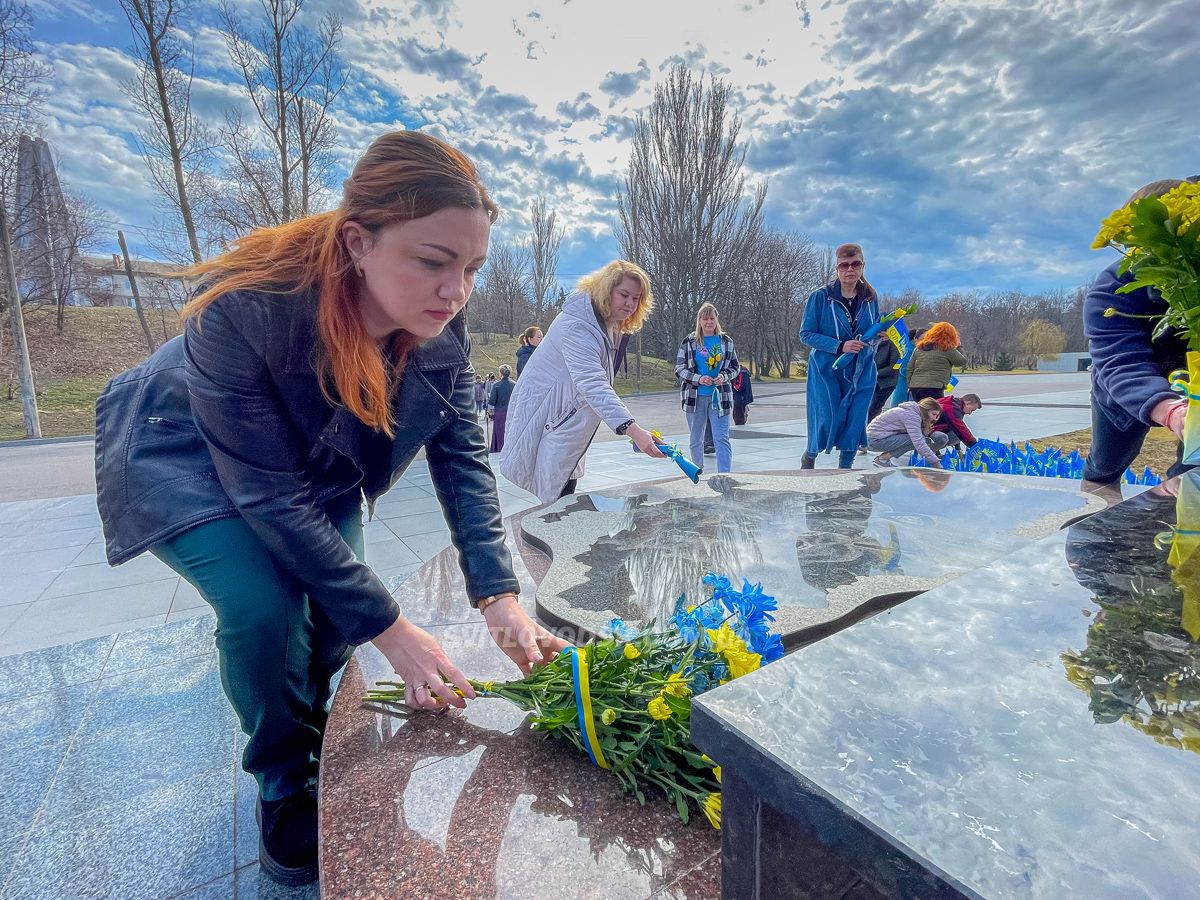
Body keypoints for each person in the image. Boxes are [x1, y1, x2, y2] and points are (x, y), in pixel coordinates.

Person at [92, 131, 569, 887]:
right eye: (434, 261)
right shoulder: (246, 311)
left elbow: (463, 457)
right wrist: (395, 633)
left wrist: (499, 596)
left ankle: (305, 730)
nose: (456, 291)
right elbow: (266, 497)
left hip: (311, 465)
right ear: (358, 240)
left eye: (472, 268)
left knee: (333, 616)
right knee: (269, 604)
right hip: (184, 452)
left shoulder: (441, 325)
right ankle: (283, 785)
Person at [500, 260, 665, 503]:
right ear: (606, 290)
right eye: (624, 295)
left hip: (564, 420)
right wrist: (633, 429)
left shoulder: (603, 323)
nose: (630, 304)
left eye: (637, 298)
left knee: (563, 494)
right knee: (556, 504)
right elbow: (592, 382)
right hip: (551, 419)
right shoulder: (578, 326)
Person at [1083, 178, 1195, 485]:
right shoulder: (1112, 287)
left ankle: (1180, 519)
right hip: (1123, 389)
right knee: (1105, 465)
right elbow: (1119, 362)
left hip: (1193, 385)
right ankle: (1091, 518)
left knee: (1192, 468)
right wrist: (1171, 412)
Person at [799, 242, 881, 469]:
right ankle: (810, 455)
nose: (849, 269)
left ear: (863, 266)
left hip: (861, 369)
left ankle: (845, 468)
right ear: (837, 269)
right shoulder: (820, 297)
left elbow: (870, 334)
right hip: (827, 369)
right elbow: (806, 334)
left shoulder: (870, 298)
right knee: (826, 418)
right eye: (844, 265)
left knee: (855, 420)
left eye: (855, 264)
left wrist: (877, 336)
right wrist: (840, 345)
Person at [674, 302, 739, 472]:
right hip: (695, 398)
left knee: (721, 439)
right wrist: (699, 378)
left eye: (712, 318)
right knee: (696, 439)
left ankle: (725, 475)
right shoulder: (689, 342)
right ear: (699, 321)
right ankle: (698, 472)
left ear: (716, 320)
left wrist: (723, 377)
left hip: (720, 397)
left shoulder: (726, 341)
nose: (709, 322)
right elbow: (680, 369)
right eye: (705, 318)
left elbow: (735, 367)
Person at [866, 397, 950, 468]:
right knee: (917, 441)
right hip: (874, 441)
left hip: (875, 438)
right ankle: (882, 459)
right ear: (926, 410)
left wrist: (928, 424)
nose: (935, 419)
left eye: (937, 416)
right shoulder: (912, 416)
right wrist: (935, 462)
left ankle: (883, 459)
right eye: (934, 414)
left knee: (921, 440)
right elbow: (919, 442)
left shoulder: (913, 412)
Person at [906, 322, 966, 401]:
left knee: (920, 411)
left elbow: (910, 367)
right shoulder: (946, 348)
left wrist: (910, 384)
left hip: (916, 387)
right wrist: (959, 346)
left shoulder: (919, 347)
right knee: (934, 411)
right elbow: (961, 361)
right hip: (934, 387)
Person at [869, 332, 901, 422]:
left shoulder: (895, 345)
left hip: (886, 383)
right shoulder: (872, 342)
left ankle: (869, 428)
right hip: (871, 379)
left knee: (874, 408)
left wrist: (876, 372)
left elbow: (894, 366)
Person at [488, 364, 515, 453]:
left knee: (499, 432)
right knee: (511, 431)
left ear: (501, 373)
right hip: (512, 411)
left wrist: (490, 410)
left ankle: (499, 448)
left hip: (500, 411)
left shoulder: (496, 385)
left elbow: (492, 401)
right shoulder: (514, 384)